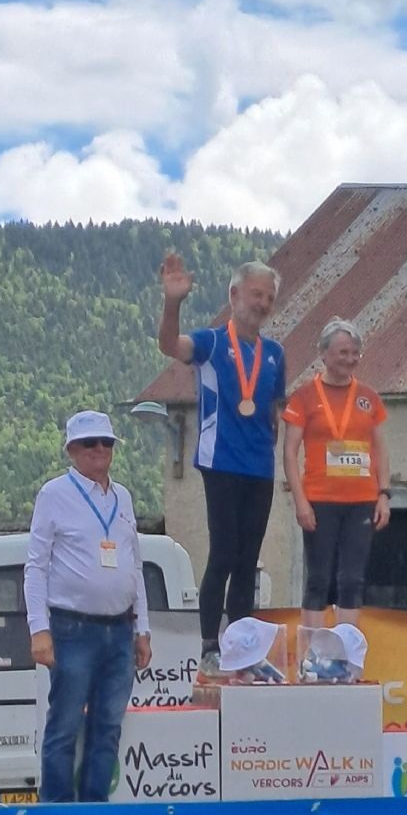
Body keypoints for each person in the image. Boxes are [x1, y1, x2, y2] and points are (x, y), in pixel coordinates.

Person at [158, 253, 286, 675]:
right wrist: (172, 302)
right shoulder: (212, 343)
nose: (262, 303)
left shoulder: (275, 353)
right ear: (234, 295)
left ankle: (243, 648)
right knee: (224, 553)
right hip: (221, 460)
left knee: (249, 561)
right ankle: (210, 646)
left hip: (260, 466)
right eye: (256, 294)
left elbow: (274, 409)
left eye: (269, 297)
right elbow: (170, 346)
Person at [24, 410, 151, 802]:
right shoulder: (54, 494)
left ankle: (95, 809)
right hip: (72, 628)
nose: (99, 449)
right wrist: (39, 630)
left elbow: (135, 565)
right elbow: (36, 566)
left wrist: (143, 628)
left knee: (108, 726)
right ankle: (57, 811)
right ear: (72, 450)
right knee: (64, 725)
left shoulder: (123, 497)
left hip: (121, 629)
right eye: (89, 443)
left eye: (106, 442)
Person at [282, 318, 390, 627]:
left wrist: (384, 494)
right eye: (343, 352)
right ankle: (313, 649)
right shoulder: (304, 397)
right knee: (319, 578)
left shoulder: (369, 397)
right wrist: (300, 502)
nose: (350, 359)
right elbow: (289, 452)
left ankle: (346, 646)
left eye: (355, 353)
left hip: (361, 501)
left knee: (352, 579)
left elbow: (380, 449)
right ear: (323, 353)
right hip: (320, 500)